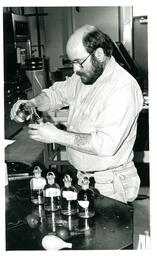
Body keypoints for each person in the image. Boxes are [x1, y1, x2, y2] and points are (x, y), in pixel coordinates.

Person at [10, 25, 143, 203]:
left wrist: (56, 135)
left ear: (99, 54)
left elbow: (106, 145)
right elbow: (56, 94)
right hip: (85, 178)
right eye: (72, 62)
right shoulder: (86, 76)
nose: (75, 69)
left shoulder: (122, 88)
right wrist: (32, 103)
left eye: (79, 62)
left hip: (110, 183)